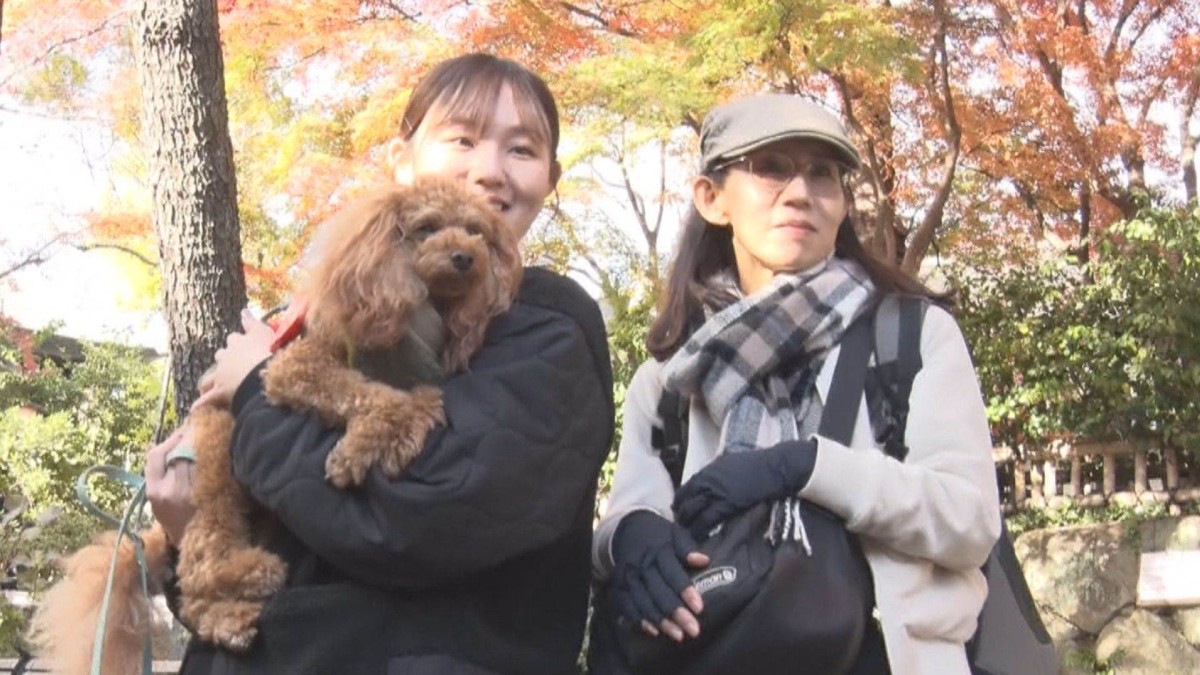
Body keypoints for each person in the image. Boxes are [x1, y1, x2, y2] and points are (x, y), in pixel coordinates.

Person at [145, 53, 614, 675]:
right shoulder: (330, 314)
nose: (490, 171)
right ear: (402, 159)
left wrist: (258, 394)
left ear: (549, 179)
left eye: (522, 150)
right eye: (463, 139)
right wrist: (187, 533)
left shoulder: (546, 327)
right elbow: (297, 553)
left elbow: (418, 520)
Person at [590, 93, 1001, 674]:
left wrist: (806, 467)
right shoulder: (671, 377)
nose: (801, 192)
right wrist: (629, 536)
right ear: (712, 198)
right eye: (772, 168)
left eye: (822, 174)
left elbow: (969, 522)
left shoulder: (909, 338)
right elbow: (631, 513)